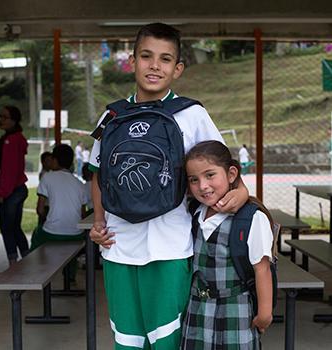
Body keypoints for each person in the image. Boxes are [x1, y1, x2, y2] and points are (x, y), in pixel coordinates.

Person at [88, 23, 249, 350]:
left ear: (177, 69)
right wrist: (98, 222)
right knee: (127, 337)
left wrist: (242, 193)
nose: (154, 66)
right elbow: (97, 173)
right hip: (118, 244)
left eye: (165, 59)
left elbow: (222, 168)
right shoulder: (112, 115)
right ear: (132, 61)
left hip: (170, 243)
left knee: (169, 336)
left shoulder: (192, 114)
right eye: (146, 56)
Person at [181, 140, 273, 349]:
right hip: (198, 309)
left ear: (231, 174)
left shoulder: (251, 218)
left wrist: (265, 314)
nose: (203, 186)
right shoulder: (194, 212)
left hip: (235, 309)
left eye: (210, 175)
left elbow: (262, 269)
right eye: (193, 179)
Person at [31, 144, 88, 279]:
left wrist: (48, 219)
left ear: (55, 160)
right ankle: (70, 276)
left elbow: (40, 209)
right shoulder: (79, 183)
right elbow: (83, 214)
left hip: (52, 233)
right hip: (76, 234)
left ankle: (35, 271)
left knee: (37, 235)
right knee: (72, 248)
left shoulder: (47, 177)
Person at [0, 105, 29, 266]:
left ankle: (14, 266)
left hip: (12, 191)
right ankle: (26, 262)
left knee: (7, 228)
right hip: (16, 190)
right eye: (0, 116)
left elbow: (10, 169)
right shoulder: (12, 138)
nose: (1, 119)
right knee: (14, 227)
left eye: (4, 117)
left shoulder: (11, 140)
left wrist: (2, 192)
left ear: (14, 120)